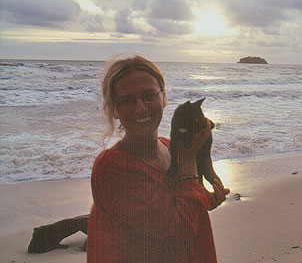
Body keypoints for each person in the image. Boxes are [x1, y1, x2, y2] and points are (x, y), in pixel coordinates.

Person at [87, 55, 229, 263]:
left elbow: (184, 201)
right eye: (127, 100)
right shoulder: (113, 167)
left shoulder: (172, 147)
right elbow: (176, 227)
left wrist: (207, 199)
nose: (141, 108)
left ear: (163, 98)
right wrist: (189, 159)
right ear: (114, 109)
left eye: (149, 96)